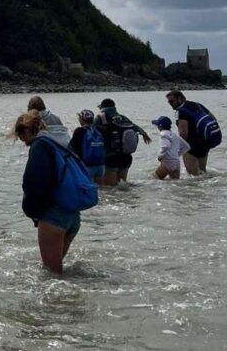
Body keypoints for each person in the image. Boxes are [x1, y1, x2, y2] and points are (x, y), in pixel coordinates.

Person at [13, 110, 84, 274]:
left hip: (53, 217)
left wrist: (32, 212)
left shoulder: (40, 145)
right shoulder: (62, 142)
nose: (24, 143)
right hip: (73, 215)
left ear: (27, 129)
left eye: (22, 137)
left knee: (52, 276)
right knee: (59, 271)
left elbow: (33, 184)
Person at [94, 98, 152, 186]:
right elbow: (136, 128)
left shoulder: (100, 117)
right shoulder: (123, 118)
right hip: (126, 157)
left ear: (102, 107)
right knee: (122, 186)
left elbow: (90, 132)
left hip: (110, 156)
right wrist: (144, 134)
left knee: (110, 189)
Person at [167, 91, 221, 175]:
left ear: (180, 99)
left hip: (191, 146)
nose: (170, 104)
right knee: (203, 173)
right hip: (204, 144)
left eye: (172, 101)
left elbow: (183, 133)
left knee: (194, 176)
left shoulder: (182, 111)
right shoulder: (198, 105)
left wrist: (176, 149)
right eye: (168, 102)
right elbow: (213, 118)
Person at [69, 110, 105, 185]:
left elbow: (71, 147)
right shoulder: (99, 129)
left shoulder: (79, 131)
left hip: (86, 165)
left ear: (82, 120)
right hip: (100, 165)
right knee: (102, 190)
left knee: (88, 188)